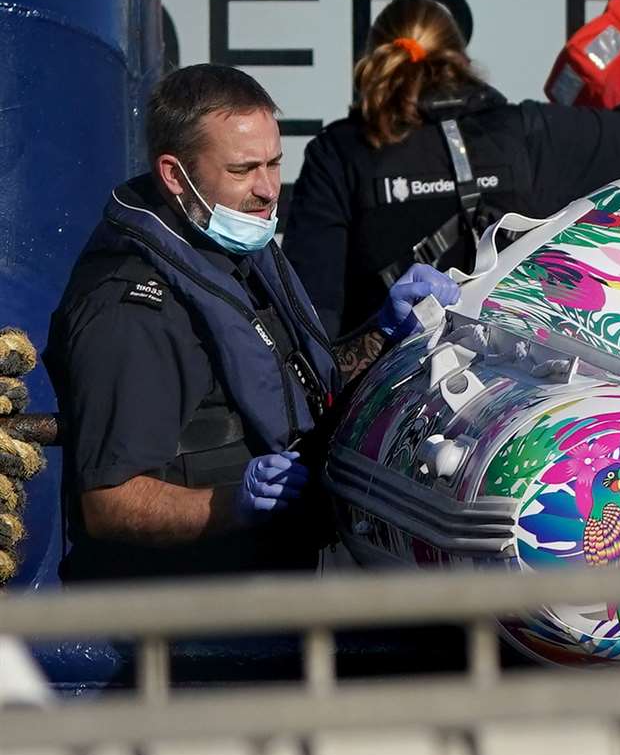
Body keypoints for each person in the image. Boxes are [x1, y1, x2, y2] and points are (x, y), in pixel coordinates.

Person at [46, 65, 460, 581]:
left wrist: (383, 332)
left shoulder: (236, 253)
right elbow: (109, 502)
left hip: (280, 586)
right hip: (191, 628)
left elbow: (305, 388)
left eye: (274, 164)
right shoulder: (131, 311)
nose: (268, 190)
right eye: (243, 170)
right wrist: (229, 504)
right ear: (175, 175)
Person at [283, 0, 620, 337]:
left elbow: (309, 308)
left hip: (383, 399)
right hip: (507, 390)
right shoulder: (527, 133)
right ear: (461, 60)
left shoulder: (339, 153)